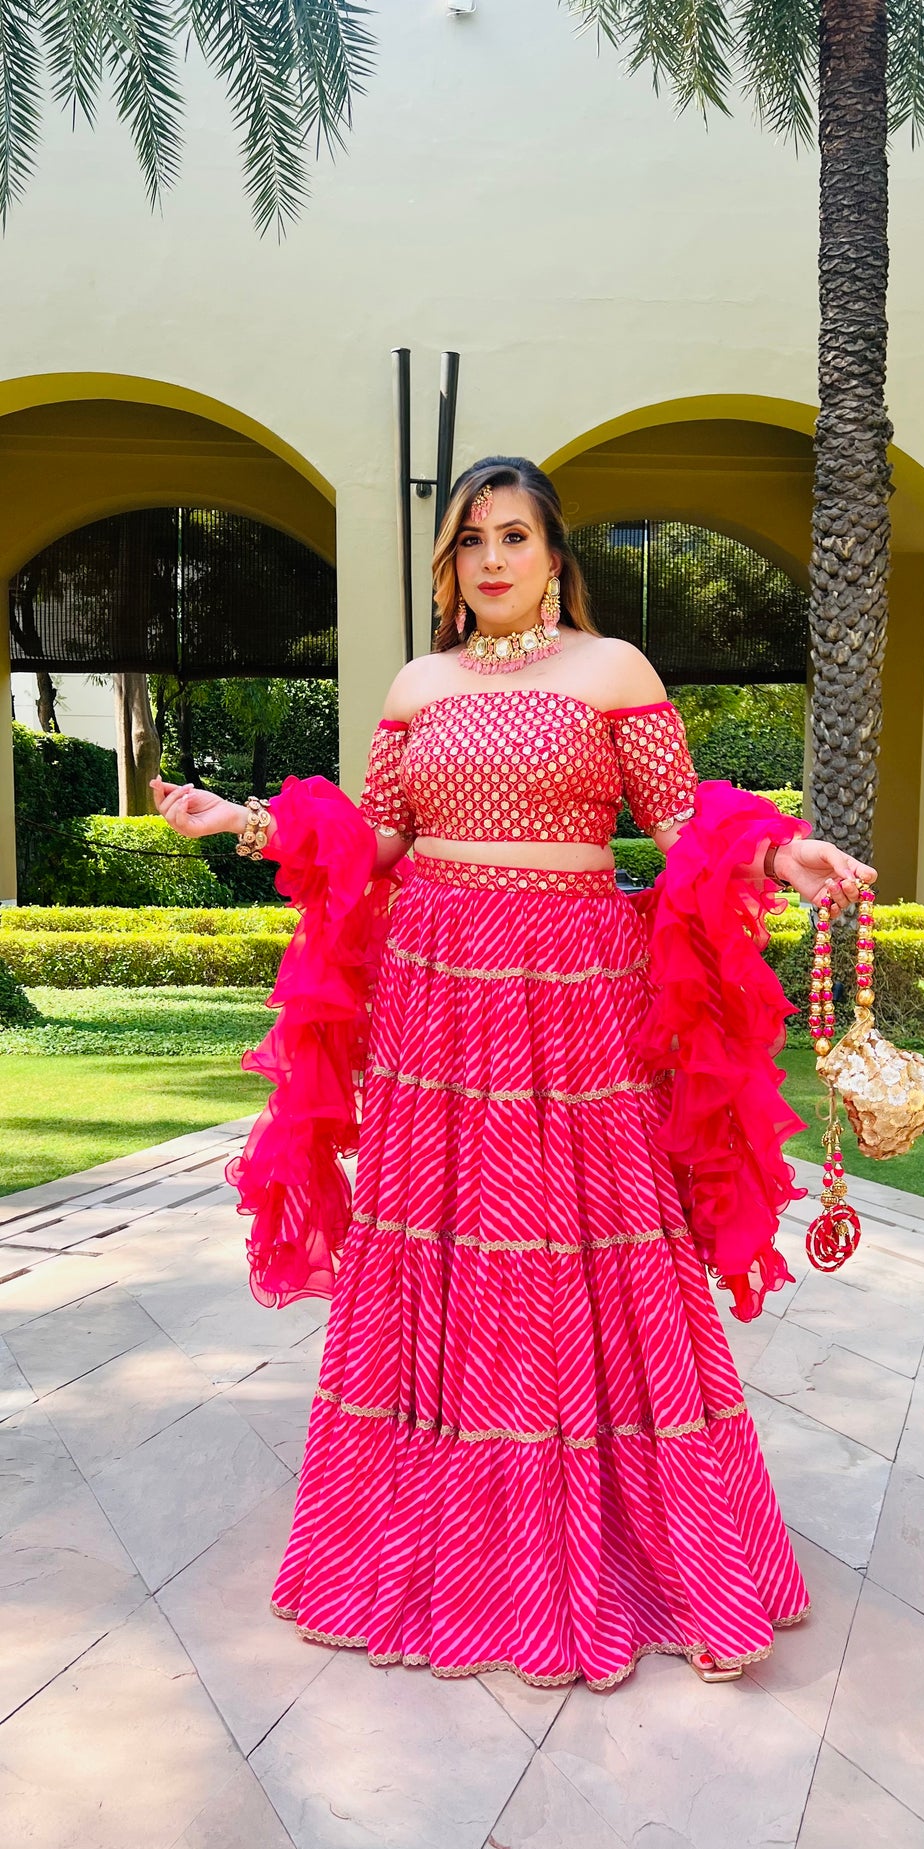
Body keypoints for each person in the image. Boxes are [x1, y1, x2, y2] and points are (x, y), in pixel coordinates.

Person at [153, 456, 875, 1692]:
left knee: (585, 1244)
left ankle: (652, 1560)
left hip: (574, 994)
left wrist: (776, 856)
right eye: (471, 540)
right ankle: (442, 1558)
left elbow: (681, 826)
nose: (491, 558)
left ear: (553, 558)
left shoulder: (612, 671)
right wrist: (247, 822)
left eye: (514, 537)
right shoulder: (417, 685)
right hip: (435, 999)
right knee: (441, 1243)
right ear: (451, 564)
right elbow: (378, 840)